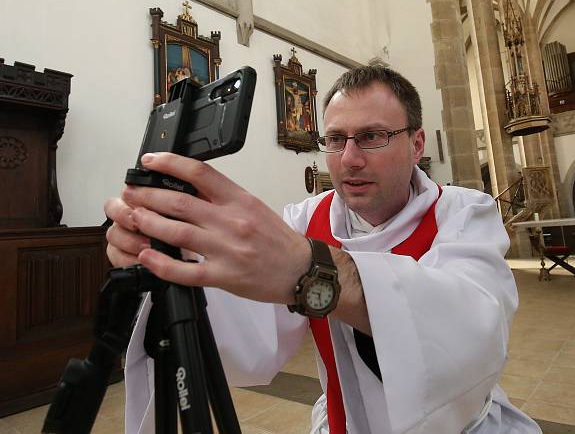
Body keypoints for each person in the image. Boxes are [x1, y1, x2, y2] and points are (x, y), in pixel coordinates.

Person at [105, 65, 541, 433]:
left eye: (371, 137)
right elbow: (250, 336)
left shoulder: (463, 212)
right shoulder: (305, 220)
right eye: (335, 139)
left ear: (418, 143)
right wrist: (175, 256)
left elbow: (473, 333)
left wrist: (313, 269)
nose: (349, 158)